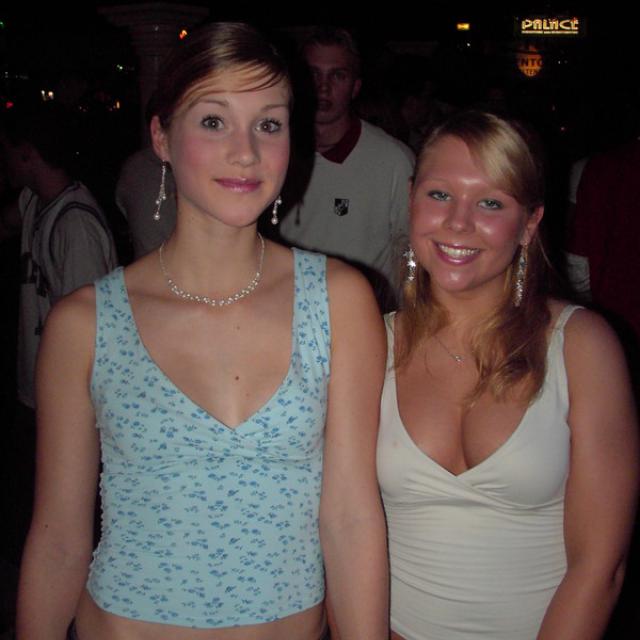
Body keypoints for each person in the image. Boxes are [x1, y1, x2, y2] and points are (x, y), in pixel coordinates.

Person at [17, 22, 388, 640]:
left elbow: (351, 519)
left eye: (269, 124)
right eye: (214, 121)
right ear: (161, 136)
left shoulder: (339, 300)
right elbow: (59, 537)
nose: (245, 152)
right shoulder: (85, 323)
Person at [377, 110, 639, 640]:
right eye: (439, 194)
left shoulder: (581, 346)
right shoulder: (367, 342)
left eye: (491, 203)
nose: (458, 222)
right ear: (411, 199)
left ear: (530, 222)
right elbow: (341, 529)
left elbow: (600, 567)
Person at [279, 26, 414, 310]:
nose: (323, 87)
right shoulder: (273, 153)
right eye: (313, 74)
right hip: (282, 314)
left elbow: (412, 254)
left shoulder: (393, 161)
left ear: (355, 87)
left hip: (363, 319)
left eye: (337, 75)